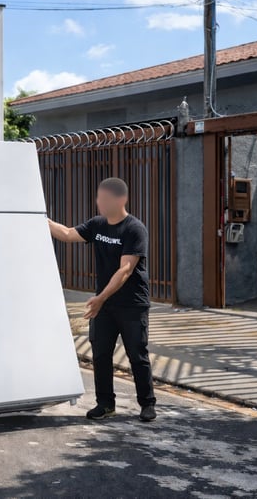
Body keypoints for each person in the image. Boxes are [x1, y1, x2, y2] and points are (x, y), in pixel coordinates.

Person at [48, 177, 157, 422]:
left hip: (132, 304)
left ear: (120, 200)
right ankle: (105, 404)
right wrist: (39, 218)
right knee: (100, 354)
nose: (99, 202)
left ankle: (147, 403)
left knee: (137, 355)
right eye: (99, 198)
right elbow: (67, 234)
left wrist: (100, 298)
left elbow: (125, 270)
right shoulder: (97, 224)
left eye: (105, 198)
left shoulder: (134, 229)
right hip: (105, 305)